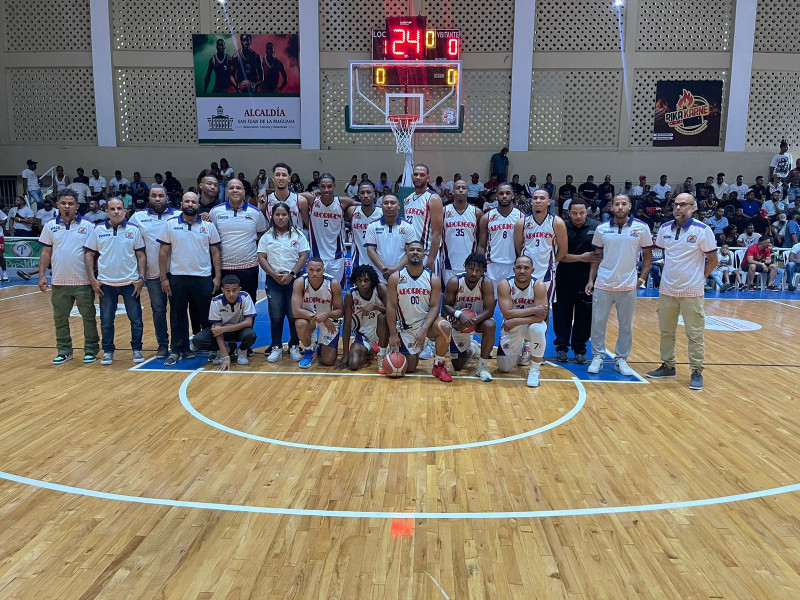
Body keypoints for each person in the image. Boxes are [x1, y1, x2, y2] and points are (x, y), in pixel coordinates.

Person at [647, 193, 718, 390]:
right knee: (666, 331)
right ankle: (668, 365)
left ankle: (696, 371)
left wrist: (698, 277)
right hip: (667, 289)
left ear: (693, 208)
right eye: (676, 205)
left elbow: (713, 260)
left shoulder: (703, 230)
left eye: (683, 205)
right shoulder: (663, 229)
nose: (678, 208)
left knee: (694, 334)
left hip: (692, 291)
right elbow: (662, 252)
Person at [585, 195, 652, 376]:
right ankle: (598, 356)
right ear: (612, 207)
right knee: (598, 323)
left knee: (625, 325)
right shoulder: (602, 229)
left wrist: (642, 279)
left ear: (630, 206)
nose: (620, 207)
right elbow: (596, 257)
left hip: (628, 285)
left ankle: (621, 359)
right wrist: (591, 279)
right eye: (617, 204)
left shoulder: (642, 228)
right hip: (604, 283)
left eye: (624, 204)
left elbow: (648, 256)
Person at [158, 192, 222, 366]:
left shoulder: (208, 226)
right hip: (177, 277)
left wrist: (217, 277)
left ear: (198, 204)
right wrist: (163, 278)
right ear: (181, 204)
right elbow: (163, 253)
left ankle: (212, 349)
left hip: (203, 277)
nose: (190, 204)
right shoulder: (170, 224)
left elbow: (215, 252)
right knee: (178, 315)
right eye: (187, 201)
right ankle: (179, 349)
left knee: (208, 316)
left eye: (194, 201)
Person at [38, 189, 100, 364]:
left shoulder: (88, 226)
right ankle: (64, 350)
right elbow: (46, 252)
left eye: (71, 203)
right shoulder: (50, 226)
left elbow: (94, 254)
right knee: (59, 318)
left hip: (83, 282)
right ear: (58, 205)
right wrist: (42, 275)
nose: (67, 206)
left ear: (77, 206)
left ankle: (91, 349)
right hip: (58, 282)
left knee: (88, 317)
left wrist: (94, 278)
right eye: (63, 203)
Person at [83, 198, 146, 365]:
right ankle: (108, 351)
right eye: (112, 209)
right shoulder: (98, 230)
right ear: (107, 211)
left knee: (136, 320)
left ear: (125, 211)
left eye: (119, 208)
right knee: (106, 320)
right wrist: (92, 279)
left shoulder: (134, 230)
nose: (116, 211)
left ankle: (137, 349)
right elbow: (89, 254)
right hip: (106, 284)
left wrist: (141, 278)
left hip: (130, 283)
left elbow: (141, 255)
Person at [385, 241, 453, 381]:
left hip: (425, 324)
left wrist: (424, 328)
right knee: (409, 367)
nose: (415, 252)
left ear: (424, 255)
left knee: (445, 326)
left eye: (419, 250)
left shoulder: (432, 279)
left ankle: (439, 365)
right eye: (412, 250)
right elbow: (391, 307)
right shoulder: (395, 278)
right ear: (406, 254)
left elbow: (435, 307)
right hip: (405, 327)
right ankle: (401, 349)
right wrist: (392, 334)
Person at [257, 202, 309, 362]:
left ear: (289, 216)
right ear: (272, 216)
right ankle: (276, 347)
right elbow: (261, 257)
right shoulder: (266, 237)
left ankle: (294, 345)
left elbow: (303, 256)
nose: (281, 217)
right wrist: (273, 275)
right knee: (276, 316)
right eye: (277, 214)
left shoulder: (298, 235)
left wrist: (291, 274)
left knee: (294, 315)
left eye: (284, 214)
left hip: (294, 280)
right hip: (274, 281)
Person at [129, 184, 175, 358]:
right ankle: (162, 344)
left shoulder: (178, 215)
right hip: (153, 274)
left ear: (167, 198)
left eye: (161, 195)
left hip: (176, 273)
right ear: (149, 198)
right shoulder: (137, 217)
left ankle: (179, 344)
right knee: (158, 311)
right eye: (154, 196)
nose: (157, 199)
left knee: (178, 310)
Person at [552, 200, 598, 364]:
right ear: (568, 213)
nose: (578, 216)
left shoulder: (597, 227)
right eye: (574, 213)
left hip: (587, 279)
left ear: (587, 212)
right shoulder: (560, 227)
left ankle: (580, 349)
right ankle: (562, 348)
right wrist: (581, 258)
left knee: (585, 316)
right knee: (561, 314)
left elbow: (596, 257)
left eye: (582, 213)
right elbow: (558, 256)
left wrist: (591, 280)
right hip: (563, 277)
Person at [209, 178, 267, 304]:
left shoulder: (255, 212)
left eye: (238, 188)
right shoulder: (215, 212)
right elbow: (211, 238)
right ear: (226, 192)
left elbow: (261, 235)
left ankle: (248, 325)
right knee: (223, 307)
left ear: (244, 191)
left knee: (248, 305)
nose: (235, 190)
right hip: (223, 268)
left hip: (249, 269)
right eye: (231, 188)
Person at [441, 252, 496, 382]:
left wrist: (471, 322)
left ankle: (482, 367)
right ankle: (472, 349)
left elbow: (489, 311)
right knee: (458, 367)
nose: (474, 273)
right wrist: (459, 315)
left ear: (483, 271)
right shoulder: (455, 282)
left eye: (478, 270)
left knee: (491, 324)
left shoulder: (486, 283)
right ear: (465, 267)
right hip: (459, 322)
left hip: (479, 320)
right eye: (471, 269)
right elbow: (445, 306)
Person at [496, 255, 548, 387]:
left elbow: (542, 316)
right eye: (519, 267)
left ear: (532, 270)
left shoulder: (539, 285)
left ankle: (535, 369)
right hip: (511, 326)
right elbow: (507, 313)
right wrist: (533, 310)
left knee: (539, 328)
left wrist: (516, 320)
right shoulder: (505, 284)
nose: (522, 271)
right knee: (504, 368)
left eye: (526, 268)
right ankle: (522, 350)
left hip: (526, 325)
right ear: (513, 269)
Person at [299, 173, 356, 287]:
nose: (326, 190)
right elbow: (294, 196)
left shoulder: (342, 202)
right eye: (323, 187)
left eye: (329, 186)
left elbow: (363, 205)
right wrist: (264, 191)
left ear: (334, 186)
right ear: (318, 187)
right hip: (317, 257)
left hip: (337, 257)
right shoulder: (313, 200)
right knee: (317, 289)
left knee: (337, 290)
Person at [192, 275, 258, 369]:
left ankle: (242, 350)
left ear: (239, 289)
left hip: (239, 330)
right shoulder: (215, 302)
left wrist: (224, 328)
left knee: (250, 335)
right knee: (197, 340)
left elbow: (248, 323)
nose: (231, 294)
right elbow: (217, 330)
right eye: (228, 290)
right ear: (222, 290)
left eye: (234, 290)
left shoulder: (245, 297)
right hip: (222, 332)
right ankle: (224, 350)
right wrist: (225, 356)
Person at [514, 188, 568, 299]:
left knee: (544, 309)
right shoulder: (521, 223)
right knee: (525, 306)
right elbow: (519, 249)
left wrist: (550, 262)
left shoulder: (557, 222)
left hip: (547, 272)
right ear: (531, 201)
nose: (538, 201)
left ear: (549, 201)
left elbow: (563, 250)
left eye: (542, 198)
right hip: (525, 272)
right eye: (535, 198)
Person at [291, 256, 343, 368]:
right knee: (300, 323)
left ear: (323, 270)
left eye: (318, 270)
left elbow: (340, 311)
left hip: (329, 319)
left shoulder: (333, 283)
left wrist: (327, 315)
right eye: (311, 270)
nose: (315, 273)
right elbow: (296, 311)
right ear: (306, 269)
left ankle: (320, 346)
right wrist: (321, 318)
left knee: (329, 361)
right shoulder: (299, 282)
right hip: (310, 319)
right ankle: (309, 351)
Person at [335, 265, 388, 371]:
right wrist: (345, 355)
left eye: (366, 280)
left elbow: (392, 311)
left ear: (372, 280)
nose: (363, 284)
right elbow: (347, 324)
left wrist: (375, 305)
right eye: (359, 280)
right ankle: (369, 350)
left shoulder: (380, 288)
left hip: (383, 332)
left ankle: (381, 355)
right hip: (364, 334)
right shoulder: (351, 295)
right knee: (353, 364)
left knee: (383, 317)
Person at [478, 183, 523, 290]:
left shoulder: (521, 217)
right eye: (501, 193)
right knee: (489, 301)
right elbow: (481, 245)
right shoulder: (487, 217)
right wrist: (481, 265)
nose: (504, 196)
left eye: (508, 193)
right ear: (496, 196)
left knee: (510, 302)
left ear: (513, 195)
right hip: (491, 265)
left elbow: (523, 245)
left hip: (512, 265)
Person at [365, 194, 415, 283]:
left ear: (399, 206)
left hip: (402, 275)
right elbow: (370, 251)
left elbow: (410, 252)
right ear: (381, 206)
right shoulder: (372, 226)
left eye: (392, 203)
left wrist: (395, 269)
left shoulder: (408, 226)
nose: (389, 206)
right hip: (379, 275)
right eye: (385, 203)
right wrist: (383, 269)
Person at [441, 179, 483, 283]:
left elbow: (479, 238)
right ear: (452, 191)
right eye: (457, 188)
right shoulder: (443, 211)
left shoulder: (477, 212)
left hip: (470, 265)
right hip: (448, 263)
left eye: (464, 188)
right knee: (449, 296)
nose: (460, 190)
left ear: (468, 191)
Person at [346, 180, 382, 275]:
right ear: (358, 195)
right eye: (362, 193)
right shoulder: (352, 211)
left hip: (379, 260)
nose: (365, 195)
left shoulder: (382, 213)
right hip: (358, 259)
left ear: (374, 194)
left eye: (369, 192)